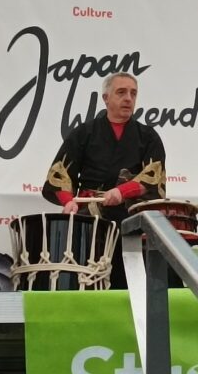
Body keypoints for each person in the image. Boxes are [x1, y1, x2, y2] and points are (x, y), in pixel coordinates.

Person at [41, 72, 167, 288]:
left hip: (130, 218)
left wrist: (122, 192)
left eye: (133, 93)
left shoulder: (148, 137)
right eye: (121, 92)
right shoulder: (84, 133)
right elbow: (60, 174)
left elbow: (152, 177)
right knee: (84, 276)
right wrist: (69, 202)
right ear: (106, 98)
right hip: (90, 216)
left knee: (128, 281)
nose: (128, 98)